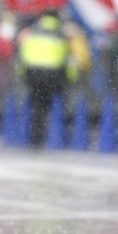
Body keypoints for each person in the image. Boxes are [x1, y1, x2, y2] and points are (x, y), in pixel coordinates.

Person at [16, 10, 77, 148]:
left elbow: (22, 55)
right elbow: (69, 59)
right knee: (56, 105)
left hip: (33, 73)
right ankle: (60, 137)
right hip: (53, 75)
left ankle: (35, 138)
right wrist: (71, 77)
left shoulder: (31, 31)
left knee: (36, 106)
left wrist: (23, 74)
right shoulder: (61, 34)